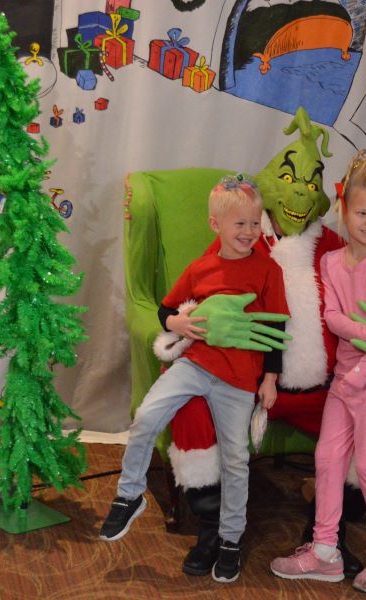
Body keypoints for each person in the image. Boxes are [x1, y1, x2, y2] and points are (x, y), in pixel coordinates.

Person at [163, 108, 366, 579]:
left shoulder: (334, 246)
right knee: (189, 401)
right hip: (252, 386)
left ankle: (324, 534)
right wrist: (185, 324)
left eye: (310, 183)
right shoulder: (244, 236)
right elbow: (193, 294)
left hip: (326, 388)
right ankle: (212, 528)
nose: (298, 193)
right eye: (289, 179)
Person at [98, 176, 291, 584]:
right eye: (239, 223)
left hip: (238, 381)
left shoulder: (268, 271)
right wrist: (177, 322)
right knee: (146, 416)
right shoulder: (202, 268)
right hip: (195, 365)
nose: (249, 232)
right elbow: (165, 309)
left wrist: (270, 378)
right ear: (214, 224)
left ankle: (230, 539)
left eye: (255, 223)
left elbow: (276, 327)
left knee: (236, 460)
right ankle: (129, 495)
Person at [271, 149, 366, 593]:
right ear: (344, 210)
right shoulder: (332, 262)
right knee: (328, 460)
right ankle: (325, 551)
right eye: (362, 212)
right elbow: (333, 319)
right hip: (345, 381)